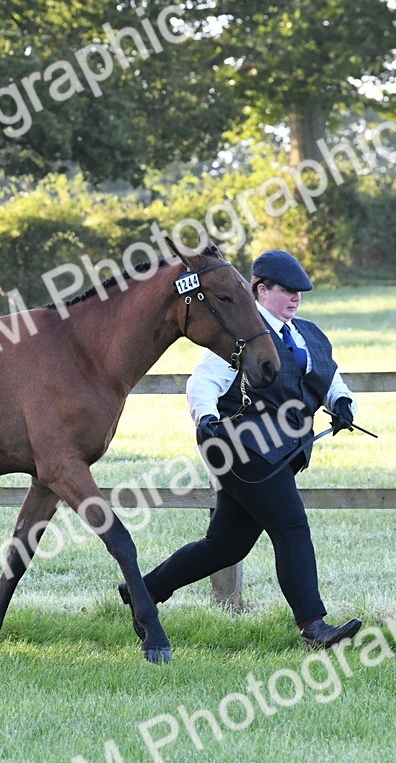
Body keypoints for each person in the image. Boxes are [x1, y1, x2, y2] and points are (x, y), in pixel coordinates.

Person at [120, 250, 362, 650]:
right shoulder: (243, 332)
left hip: (281, 452)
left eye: (299, 292)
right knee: (291, 527)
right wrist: (205, 417)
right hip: (240, 447)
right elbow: (202, 382)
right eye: (286, 290)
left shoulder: (308, 334)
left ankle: (144, 591)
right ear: (260, 290)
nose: (295, 298)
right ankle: (314, 627)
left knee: (226, 545)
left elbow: (329, 376)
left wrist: (342, 403)